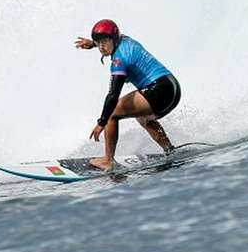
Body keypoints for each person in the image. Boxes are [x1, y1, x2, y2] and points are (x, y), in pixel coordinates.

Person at [74, 19, 181, 171]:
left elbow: (113, 95)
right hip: (172, 88)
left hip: (158, 90)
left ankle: (108, 161)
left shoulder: (119, 60)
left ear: (113, 39)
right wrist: (93, 43)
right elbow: (107, 41)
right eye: (98, 43)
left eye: (104, 42)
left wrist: (102, 122)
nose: (101, 47)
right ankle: (169, 149)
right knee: (144, 118)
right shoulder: (124, 39)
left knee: (112, 112)